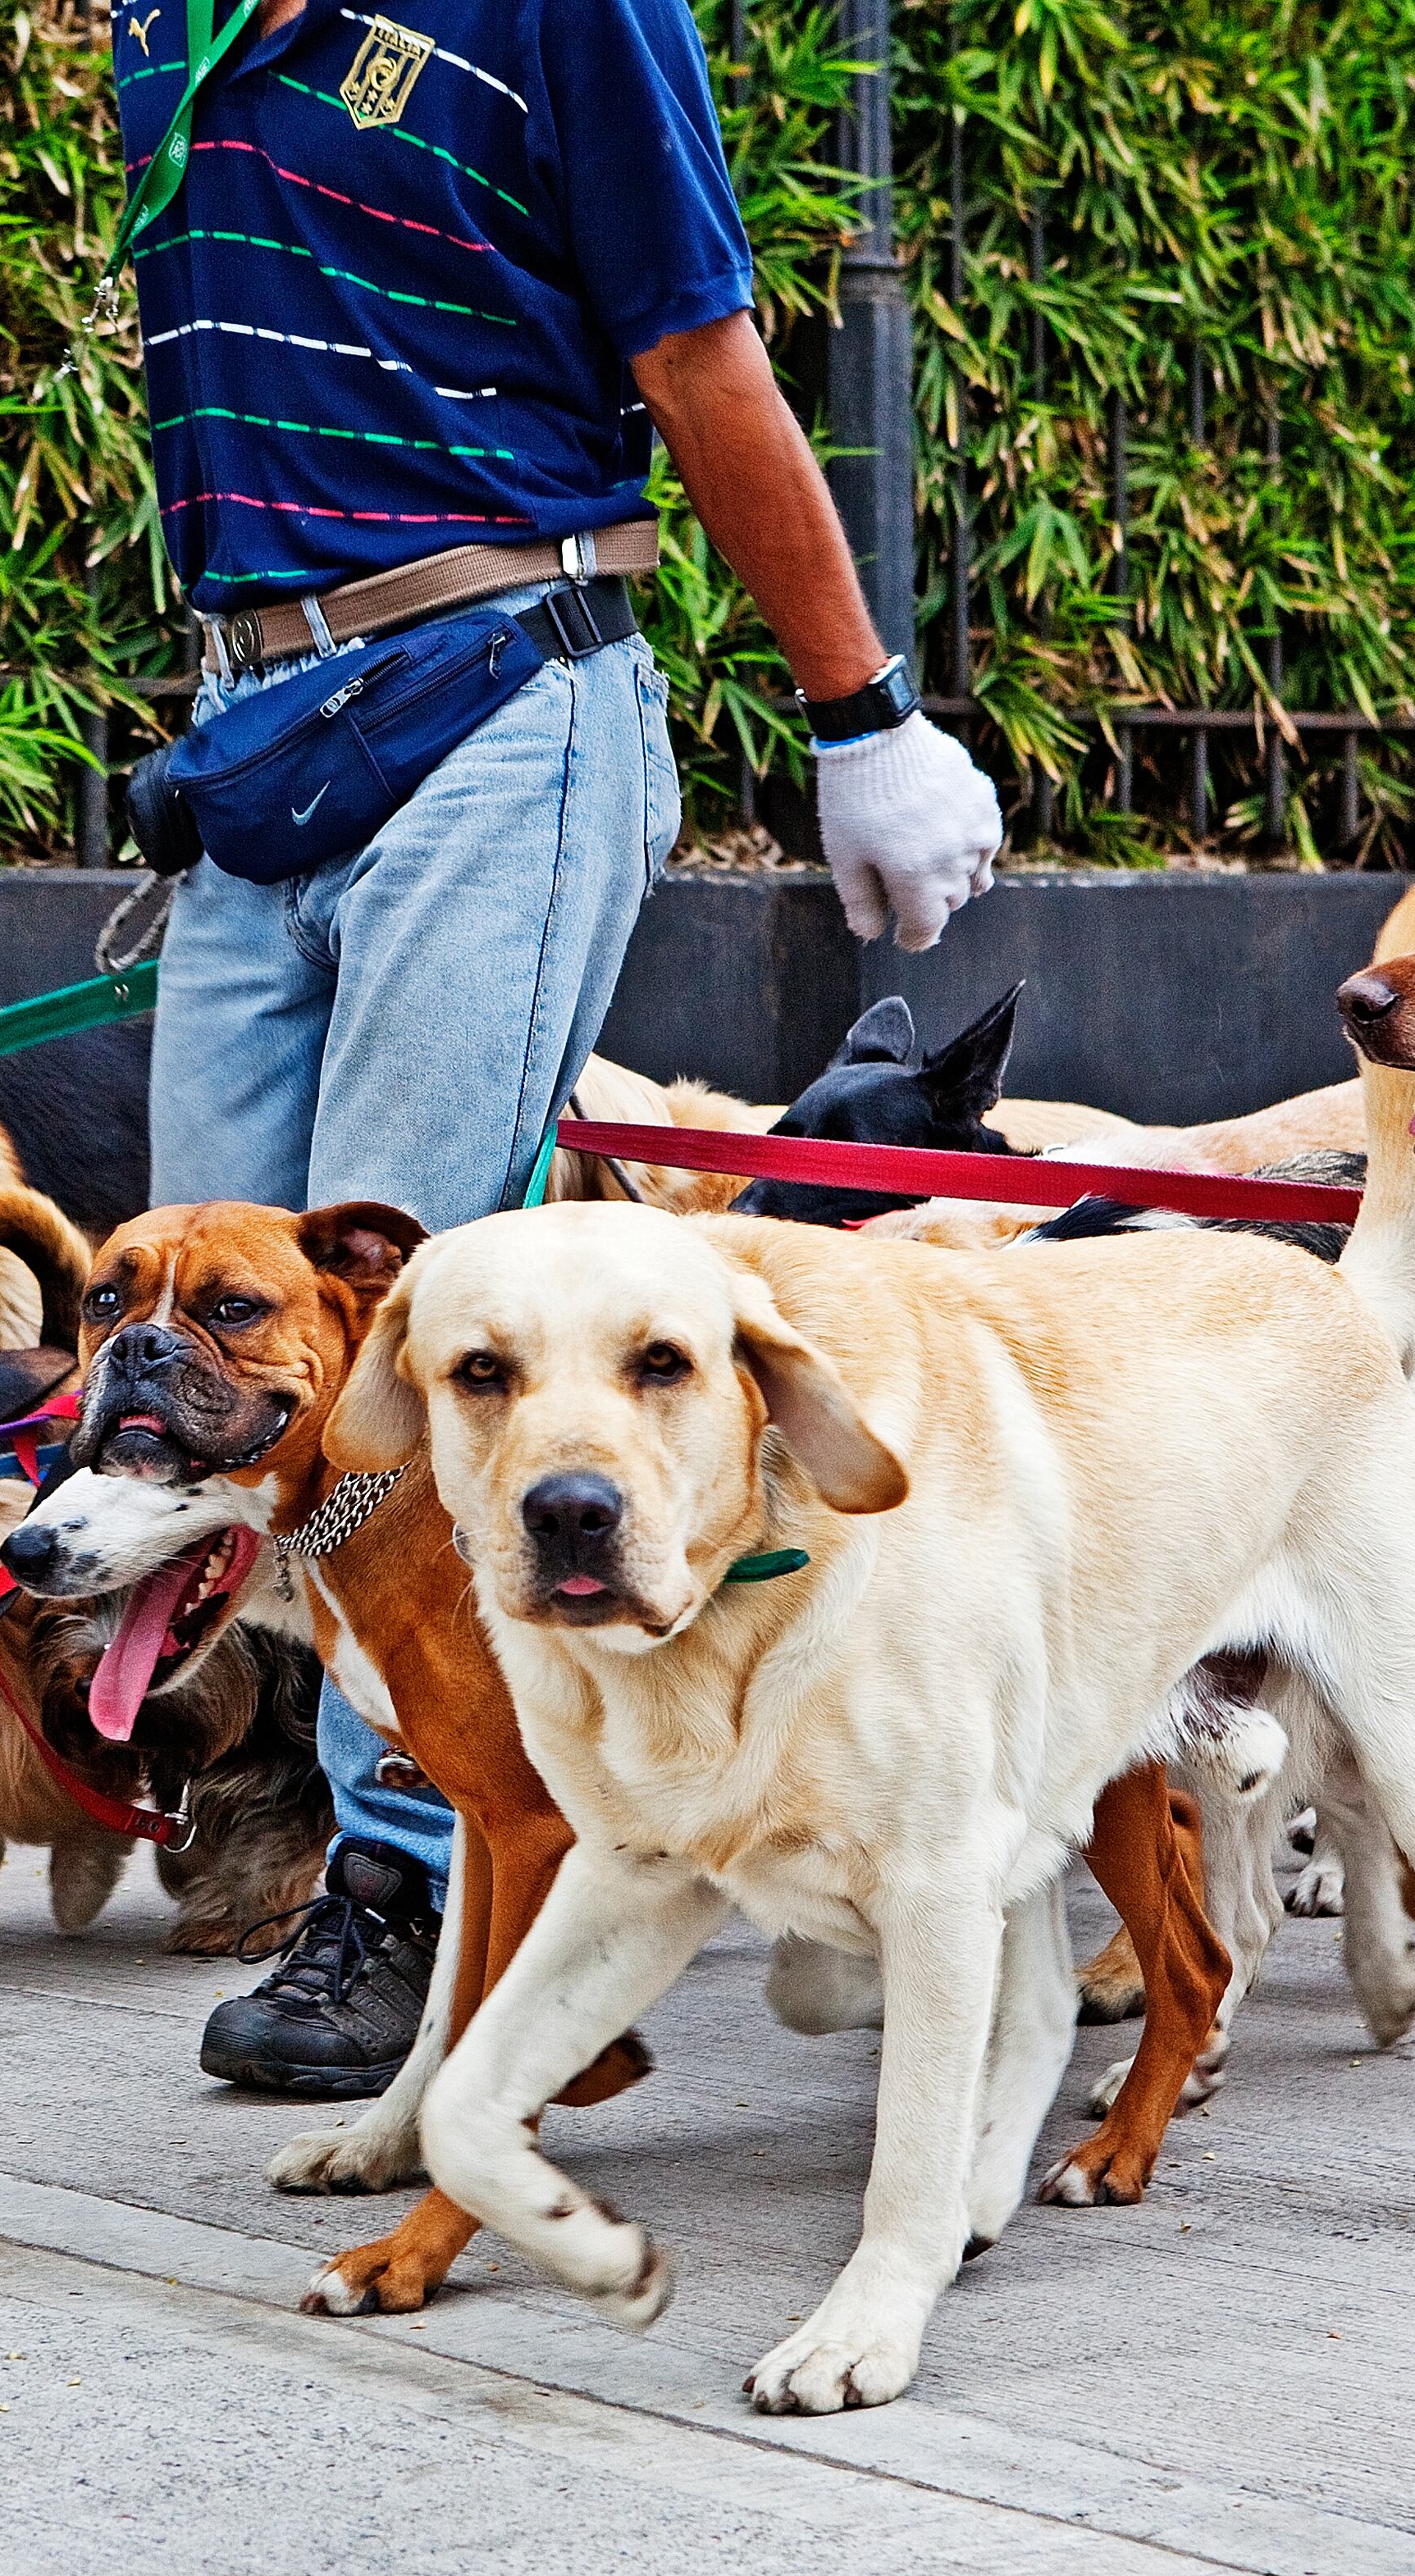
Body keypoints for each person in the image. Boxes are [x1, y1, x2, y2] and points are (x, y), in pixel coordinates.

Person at [116, 0, 1004, 2093]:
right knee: (221, 1332)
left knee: (425, 1316)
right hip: (261, 727)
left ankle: (423, 1874)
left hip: (501, 681)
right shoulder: (167, 21)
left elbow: (699, 354)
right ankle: (465, 1819)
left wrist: (858, 715)